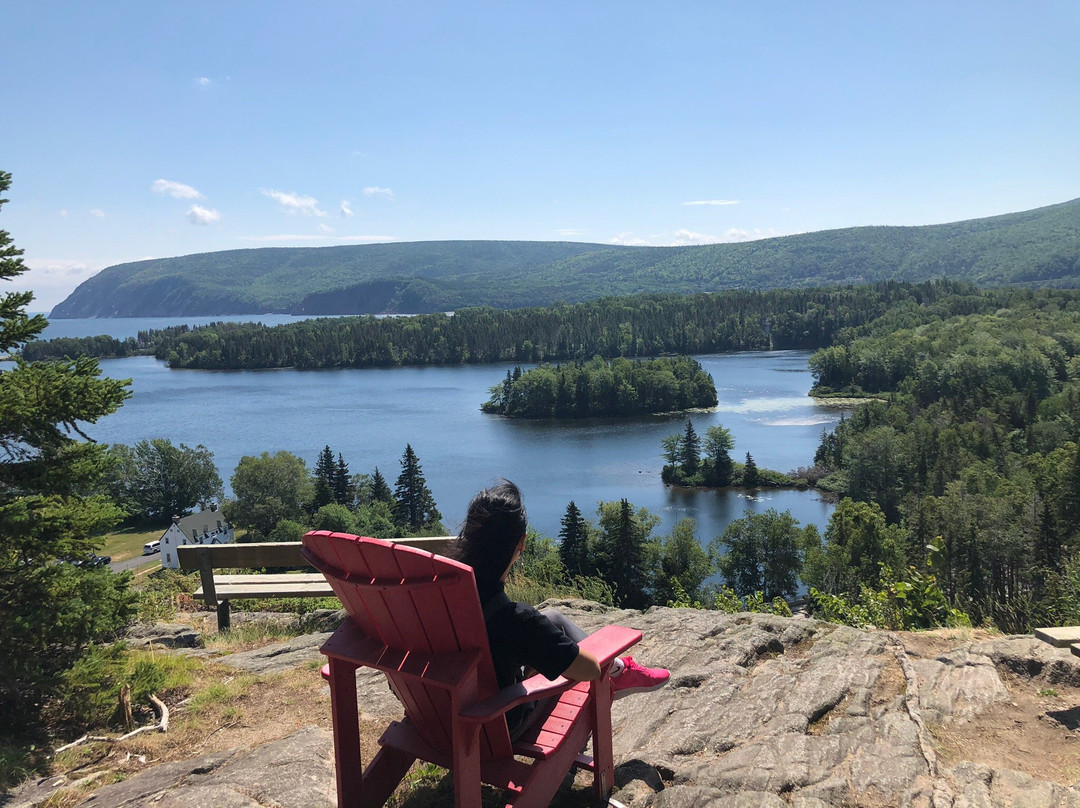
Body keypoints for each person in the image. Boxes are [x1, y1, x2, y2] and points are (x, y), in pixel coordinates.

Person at [447, 479, 670, 739]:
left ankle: (618, 669)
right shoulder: (517, 621)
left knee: (553, 618)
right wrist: (542, 662)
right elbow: (589, 670)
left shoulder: (442, 599)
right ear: (522, 542)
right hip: (497, 725)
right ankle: (616, 671)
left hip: (441, 717)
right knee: (587, 668)